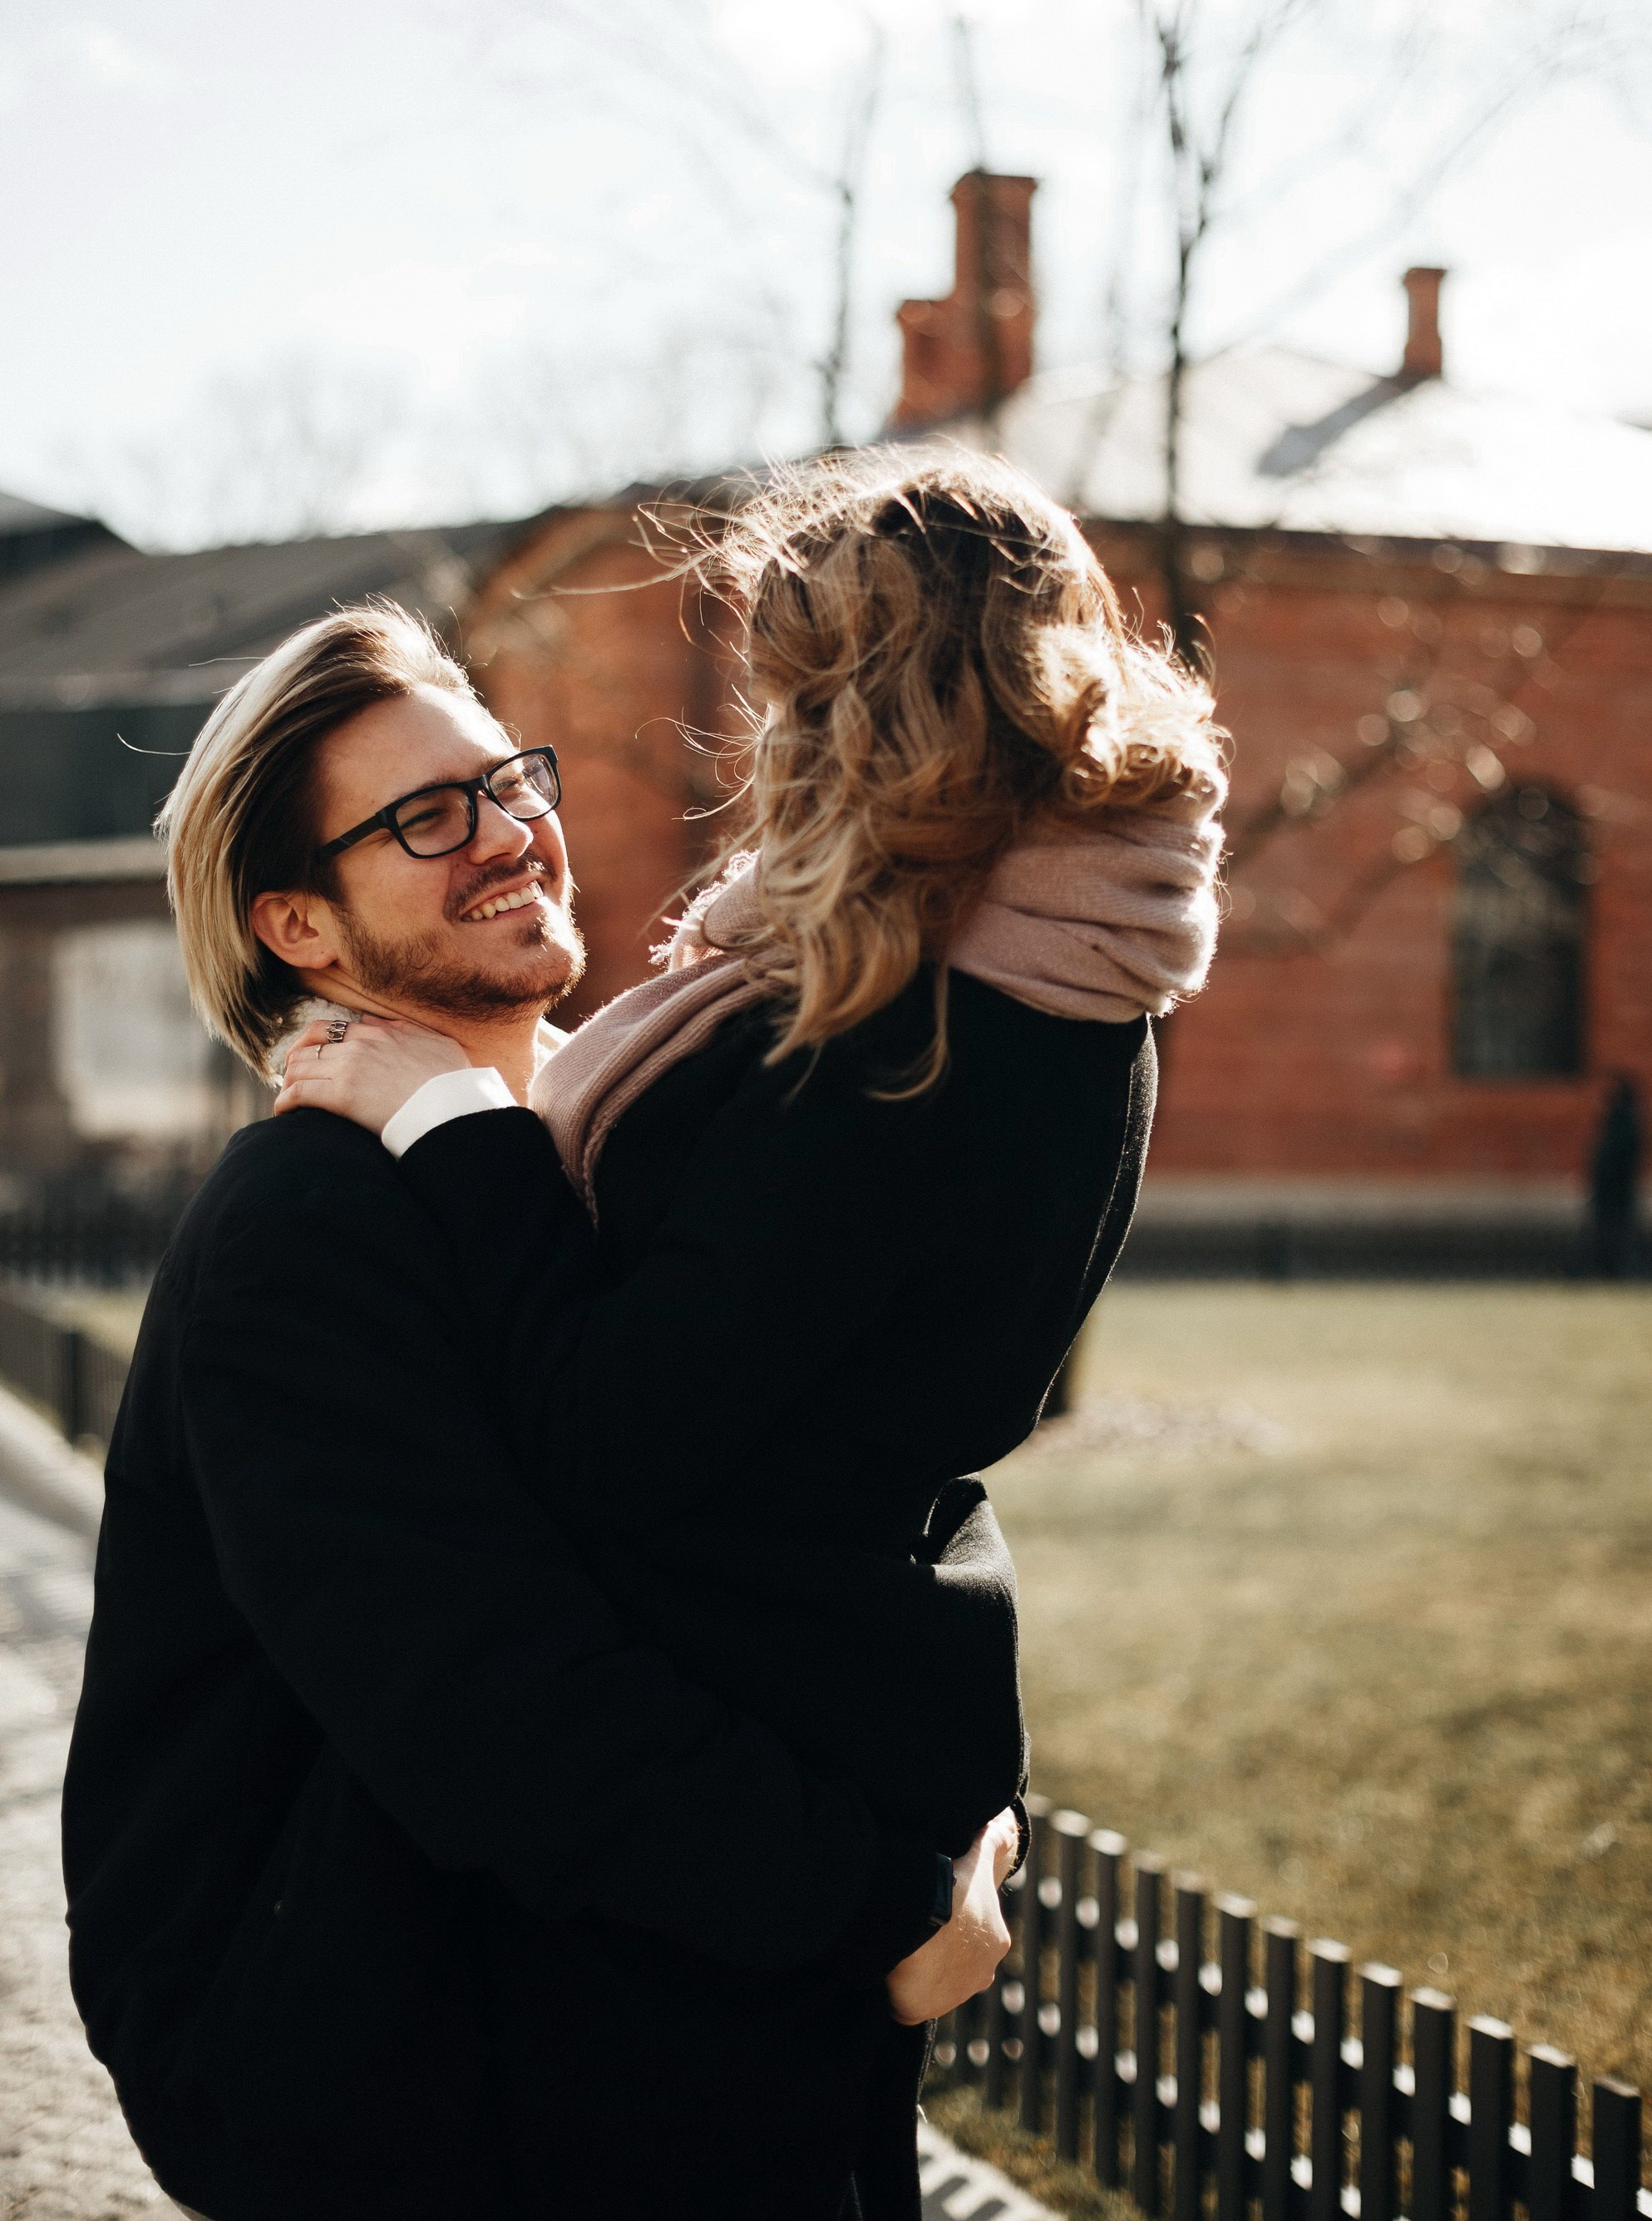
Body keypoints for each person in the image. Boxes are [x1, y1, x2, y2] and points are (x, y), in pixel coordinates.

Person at [277, 451, 1227, 2217]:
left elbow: (608, 1431)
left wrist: (457, 1125)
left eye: (793, 685)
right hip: (821, 1712)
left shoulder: (908, 1037)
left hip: (738, 1767)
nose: (767, 734)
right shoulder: (1053, 961)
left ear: (865, 708)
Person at [63, 605, 1017, 2221]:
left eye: (507, 782)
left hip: (630, 1979)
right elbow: (485, 1697)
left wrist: (941, 1774)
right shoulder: (301, 1230)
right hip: (385, 2058)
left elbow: (853, 1466)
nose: (511, 834)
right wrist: (875, 1902)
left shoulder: (607, 1147)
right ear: (299, 924)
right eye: (429, 819)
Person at [1588, 1073, 1646, 1278]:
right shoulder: (1622, 1120)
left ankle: (1627, 1273)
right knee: (1613, 1234)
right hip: (1615, 1191)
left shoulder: (1623, 1121)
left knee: (1617, 1235)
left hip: (1615, 1191)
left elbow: (1616, 1158)